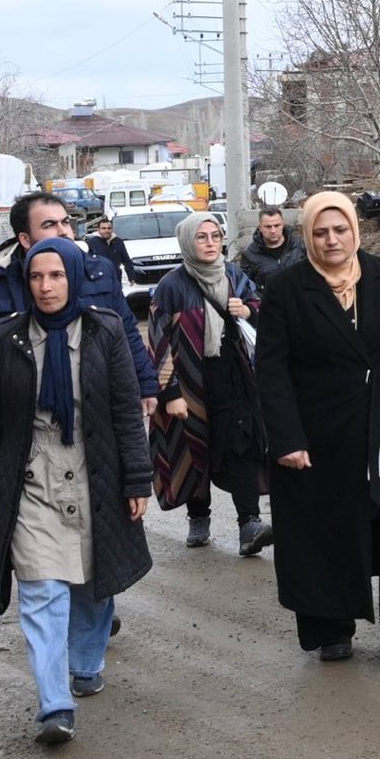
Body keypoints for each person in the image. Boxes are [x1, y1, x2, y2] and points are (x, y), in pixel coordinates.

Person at [0, 240, 153, 746]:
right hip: (32, 479)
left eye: (56, 276)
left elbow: (124, 411)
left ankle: (86, 659)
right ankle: (55, 704)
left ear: (73, 277)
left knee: (93, 583)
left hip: (94, 470)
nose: (46, 286)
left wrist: (137, 479)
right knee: (40, 590)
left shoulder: (105, 330)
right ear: (26, 281)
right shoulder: (6, 338)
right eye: (36, 277)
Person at [254, 192, 380, 664]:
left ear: (356, 231)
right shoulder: (286, 289)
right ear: (308, 236)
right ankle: (330, 627)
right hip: (319, 434)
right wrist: (287, 439)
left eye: (340, 229)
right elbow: (272, 371)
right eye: (321, 231)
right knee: (326, 529)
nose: (332, 239)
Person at [0, 193, 157, 433]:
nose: (64, 232)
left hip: (97, 415)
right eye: (49, 225)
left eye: (65, 222)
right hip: (20, 423)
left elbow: (127, 332)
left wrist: (146, 383)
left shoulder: (99, 272)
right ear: (25, 239)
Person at [149, 213, 271, 555]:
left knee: (243, 443)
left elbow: (260, 308)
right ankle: (198, 515)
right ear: (188, 242)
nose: (210, 243)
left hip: (234, 377)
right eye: (201, 237)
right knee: (195, 447)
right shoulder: (171, 286)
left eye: (215, 236)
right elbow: (157, 344)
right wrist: (169, 393)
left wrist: (247, 310)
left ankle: (249, 524)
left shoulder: (233, 274)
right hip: (191, 384)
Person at [238, 207, 305, 286]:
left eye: (277, 225)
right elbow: (246, 287)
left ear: (283, 224)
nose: (273, 231)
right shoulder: (250, 254)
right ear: (260, 228)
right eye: (268, 227)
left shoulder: (300, 246)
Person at [85, 217, 134, 281]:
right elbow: (87, 263)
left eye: (109, 228)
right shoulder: (92, 243)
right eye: (103, 228)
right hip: (99, 280)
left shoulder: (118, 242)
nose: (106, 230)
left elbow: (126, 260)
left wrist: (131, 277)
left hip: (116, 279)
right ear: (98, 230)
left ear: (112, 229)